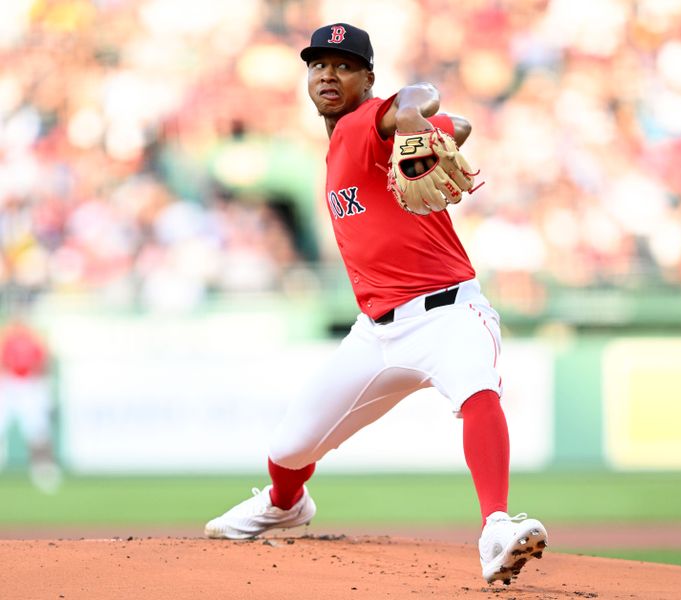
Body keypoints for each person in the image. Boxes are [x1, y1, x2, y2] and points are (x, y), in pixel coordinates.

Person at [204, 23, 548, 585]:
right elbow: (455, 124)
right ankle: (284, 503)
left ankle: (496, 526)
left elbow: (421, 97)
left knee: (478, 393)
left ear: (368, 79)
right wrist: (435, 132)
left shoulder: (366, 122)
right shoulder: (354, 139)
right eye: (318, 65)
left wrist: (411, 117)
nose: (327, 75)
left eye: (343, 65)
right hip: (376, 333)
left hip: (448, 314)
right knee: (290, 447)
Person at [0, 317, 62, 494]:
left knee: (37, 431)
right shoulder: (6, 338)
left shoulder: (35, 339)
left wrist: (41, 384)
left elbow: (43, 363)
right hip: (9, 384)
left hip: (30, 385)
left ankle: (44, 471)